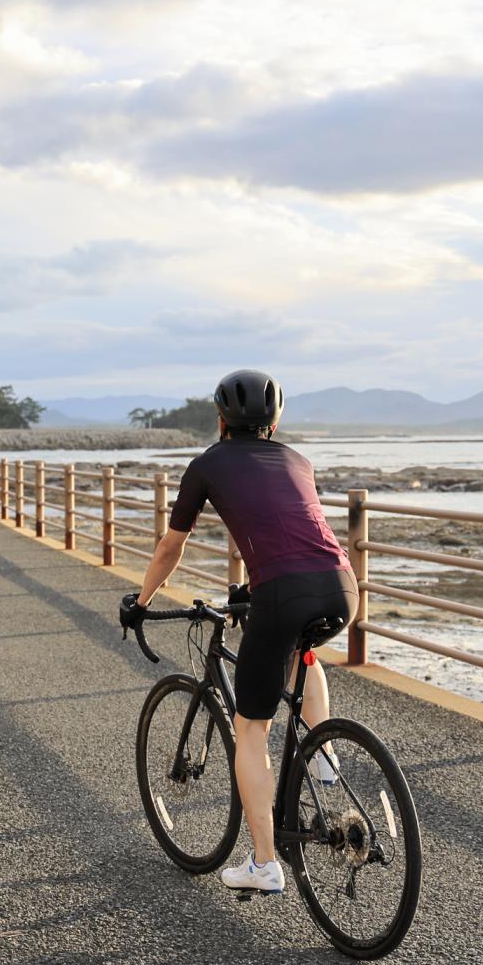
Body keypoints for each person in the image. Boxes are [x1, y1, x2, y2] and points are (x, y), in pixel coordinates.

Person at [120, 369, 357, 894]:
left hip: (283, 592)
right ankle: (323, 755)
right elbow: (288, 528)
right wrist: (252, 586)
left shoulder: (207, 464)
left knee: (252, 730)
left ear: (221, 418)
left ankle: (265, 864)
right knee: (303, 650)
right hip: (341, 586)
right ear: (275, 420)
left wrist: (141, 603)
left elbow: (170, 546)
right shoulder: (300, 461)